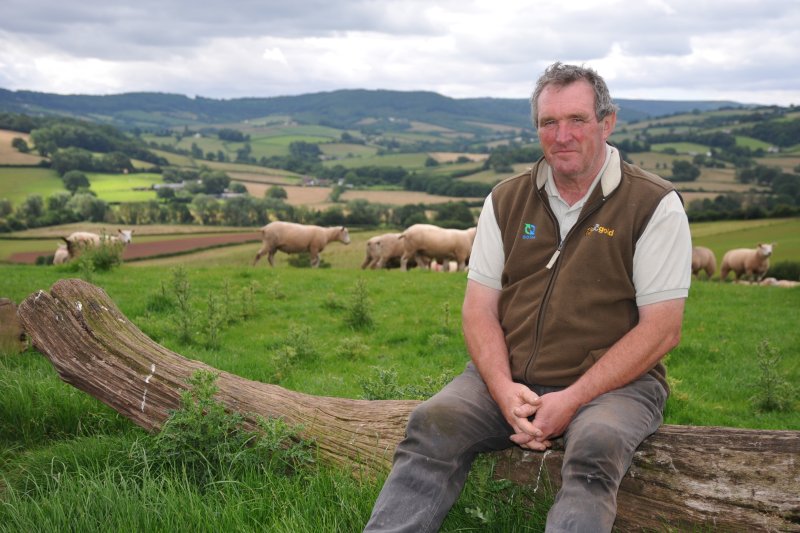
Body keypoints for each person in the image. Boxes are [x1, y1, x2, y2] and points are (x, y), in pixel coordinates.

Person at [364, 61, 692, 533]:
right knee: (433, 423)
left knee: (595, 446)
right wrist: (500, 388)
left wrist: (574, 398)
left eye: (577, 120)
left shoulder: (653, 205)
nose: (562, 135)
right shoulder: (506, 199)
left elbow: (663, 329)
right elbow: (479, 309)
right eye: (548, 122)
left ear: (607, 122)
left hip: (615, 385)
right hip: (507, 374)